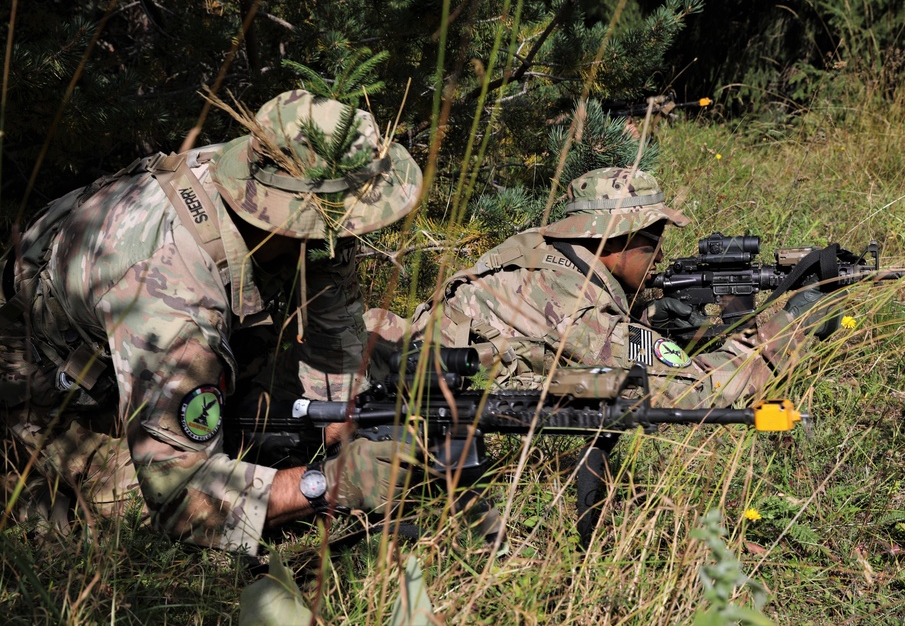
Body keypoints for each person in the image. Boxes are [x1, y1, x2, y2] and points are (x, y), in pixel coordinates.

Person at [0, 89, 423, 555]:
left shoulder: (272, 179)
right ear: (296, 215)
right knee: (142, 521)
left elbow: (334, 338)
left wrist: (345, 420)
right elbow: (180, 498)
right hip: (46, 378)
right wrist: (329, 483)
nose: (360, 227)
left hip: (149, 343)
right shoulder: (172, 286)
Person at [372, 167, 840, 407]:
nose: (660, 252)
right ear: (611, 239)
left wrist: (651, 315)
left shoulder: (541, 251)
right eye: (653, 237)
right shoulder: (578, 311)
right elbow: (694, 391)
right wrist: (789, 327)